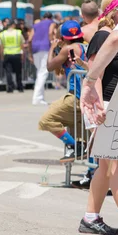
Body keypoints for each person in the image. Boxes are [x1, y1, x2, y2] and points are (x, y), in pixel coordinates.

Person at [78, 0, 118, 235]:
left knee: (106, 165)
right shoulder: (103, 36)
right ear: (114, 10)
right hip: (107, 106)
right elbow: (95, 73)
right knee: (116, 166)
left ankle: (90, 216)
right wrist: (100, 107)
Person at [38, 20, 87, 162]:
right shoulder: (86, 46)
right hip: (87, 96)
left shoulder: (67, 49)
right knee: (83, 134)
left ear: (63, 37)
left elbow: (49, 66)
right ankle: (87, 167)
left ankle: (74, 146)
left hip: (76, 96)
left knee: (46, 120)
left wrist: (52, 48)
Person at [29, 12, 56, 105]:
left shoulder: (36, 25)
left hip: (35, 48)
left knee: (39, 72)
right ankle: (37, 98)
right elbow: (50, 32)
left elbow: (29, 39)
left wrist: (30, 53)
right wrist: (52, 43)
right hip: (45, 47)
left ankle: (40, 97)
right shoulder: (51, 23)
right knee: (43, 72)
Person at [0, 20, 24, 93]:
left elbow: (1, 46)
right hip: (17, 53)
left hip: (7, 54)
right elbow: (22, 44)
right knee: (18, 71)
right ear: (13, 25)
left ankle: (10, 87)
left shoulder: (3, 34)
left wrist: (1, 56)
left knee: (8, 72)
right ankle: (20, 87)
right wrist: (22, 54)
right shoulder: (18, 33)